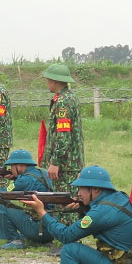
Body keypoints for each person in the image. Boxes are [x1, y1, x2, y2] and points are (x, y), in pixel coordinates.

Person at [0, 148, 53, 249]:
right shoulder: (43, 172)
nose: (10, 169)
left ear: (20, 166)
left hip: (39, 230)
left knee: (1, 204)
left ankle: (14, 240)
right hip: (51, 229)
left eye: (12, 166)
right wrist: (16, 178)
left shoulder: (23, 180)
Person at [40, 64, 84, 232]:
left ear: (55, 81)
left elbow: (63, 134)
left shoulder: (64, 102)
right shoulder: (68, 98)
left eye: (48, 80)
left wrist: (55, 161)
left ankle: (68, 239)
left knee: (67, 201)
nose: (47, 83)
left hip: (66, 163)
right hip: (70, 161)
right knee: (67, 199)